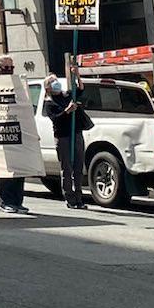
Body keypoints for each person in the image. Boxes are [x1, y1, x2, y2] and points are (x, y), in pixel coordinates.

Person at [43, 73, 94, 209]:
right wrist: (67, 111)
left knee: (78, 167)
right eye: (52, 82)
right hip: (63, 136)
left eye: (56, 80)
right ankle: (70, 198)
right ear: (48, 87)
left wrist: (77, 74)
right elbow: (55, 119)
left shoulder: (67, 95)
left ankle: (79, 198)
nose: (56, 83)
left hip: (76, 133)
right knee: (67, 168)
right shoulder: (50, 103)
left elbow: (81, 89)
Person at [0, 54, 29, 216]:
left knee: (19, 169)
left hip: (17, 131)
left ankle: (17, 201)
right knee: (5, 169)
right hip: (0, 131)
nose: (8, 71)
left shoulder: (18, 85)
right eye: (5, 68)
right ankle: (5, 201)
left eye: (11, 68)